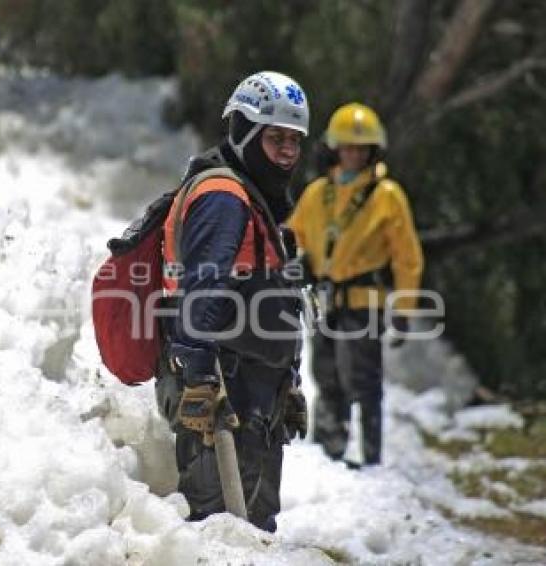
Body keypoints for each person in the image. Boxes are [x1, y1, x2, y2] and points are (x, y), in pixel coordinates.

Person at [155, 71, 310, 532]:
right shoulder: (223, 196)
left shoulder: (254, 198)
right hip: (222, 403)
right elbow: (203, 287)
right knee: (221, 536)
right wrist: (199, 379)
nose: (287, 151)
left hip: (255, 400)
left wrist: (289, 381)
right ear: (244, 131)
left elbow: (263, 295)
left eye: (294, 140)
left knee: (252, 535)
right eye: (275, 137)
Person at [287, 102, 424, 466]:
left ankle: (371, 458)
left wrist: (405, 308)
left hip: (364, 300)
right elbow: (293, 235)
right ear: (335, 148)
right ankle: (329, 457)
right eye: (347, 147)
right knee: (326, 376)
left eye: (361, 149)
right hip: (324, 299)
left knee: (362, 381)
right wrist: (298, 260)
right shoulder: (318, 192)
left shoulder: (386, 195)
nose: (353, 155)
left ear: (372, 151)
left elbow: (407, 256)